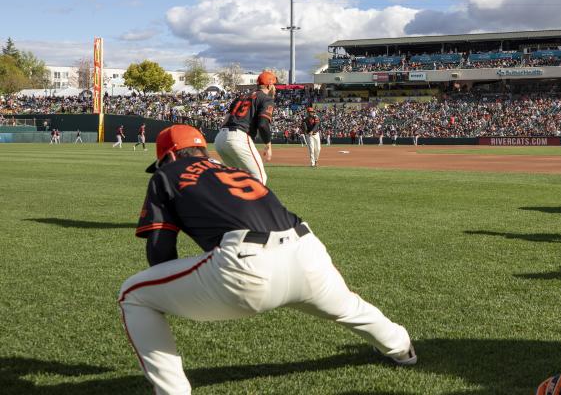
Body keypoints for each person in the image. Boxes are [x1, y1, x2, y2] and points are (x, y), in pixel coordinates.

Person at [118, 125, 416, 394]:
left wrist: (175, 295)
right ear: (202, 151)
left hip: (246, 266)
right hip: (307, 250)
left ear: (169, 156)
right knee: (349, 307)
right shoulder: (233, 170)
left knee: (134, 294)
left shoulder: (167, 174)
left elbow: (161, 250)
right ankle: (401, 347)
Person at [214, 71, 276, 184]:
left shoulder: (241, 97)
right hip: (238, 137)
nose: (274, 88)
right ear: (269, 85)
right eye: (274, 85)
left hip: (220, 138)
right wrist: (268, 145)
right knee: (259, 180)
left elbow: (225, 120)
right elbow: (263, 124)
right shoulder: (266, 98)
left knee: (237, 180)